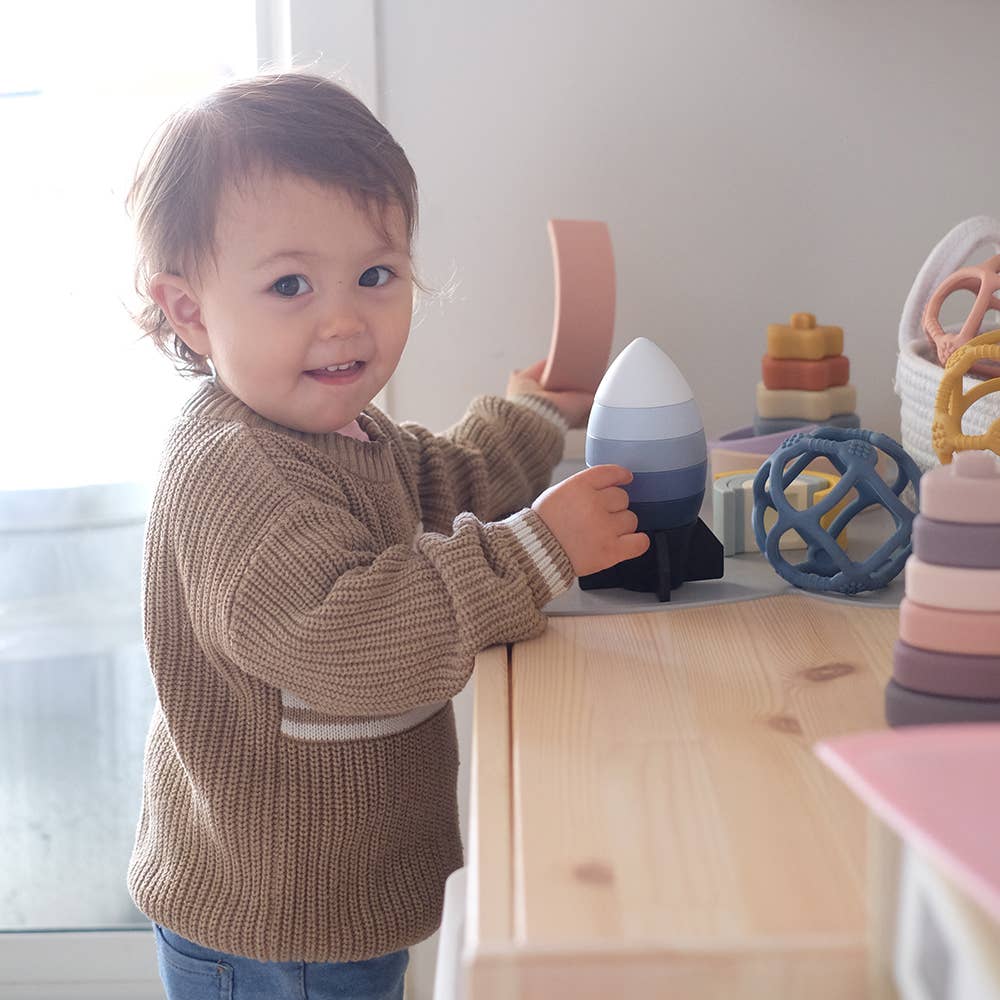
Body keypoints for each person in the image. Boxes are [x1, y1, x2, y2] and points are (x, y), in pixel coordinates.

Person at [126, 71, 649, 1000]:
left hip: (338, 899)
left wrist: (532, 415)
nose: (344, 320)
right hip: (271, 919)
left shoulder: (336, 433)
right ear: (192, 312)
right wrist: (537, 550)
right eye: (290, 284)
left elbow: (442, 483)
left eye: (376, 275)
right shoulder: (232, 473)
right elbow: (348, 637)